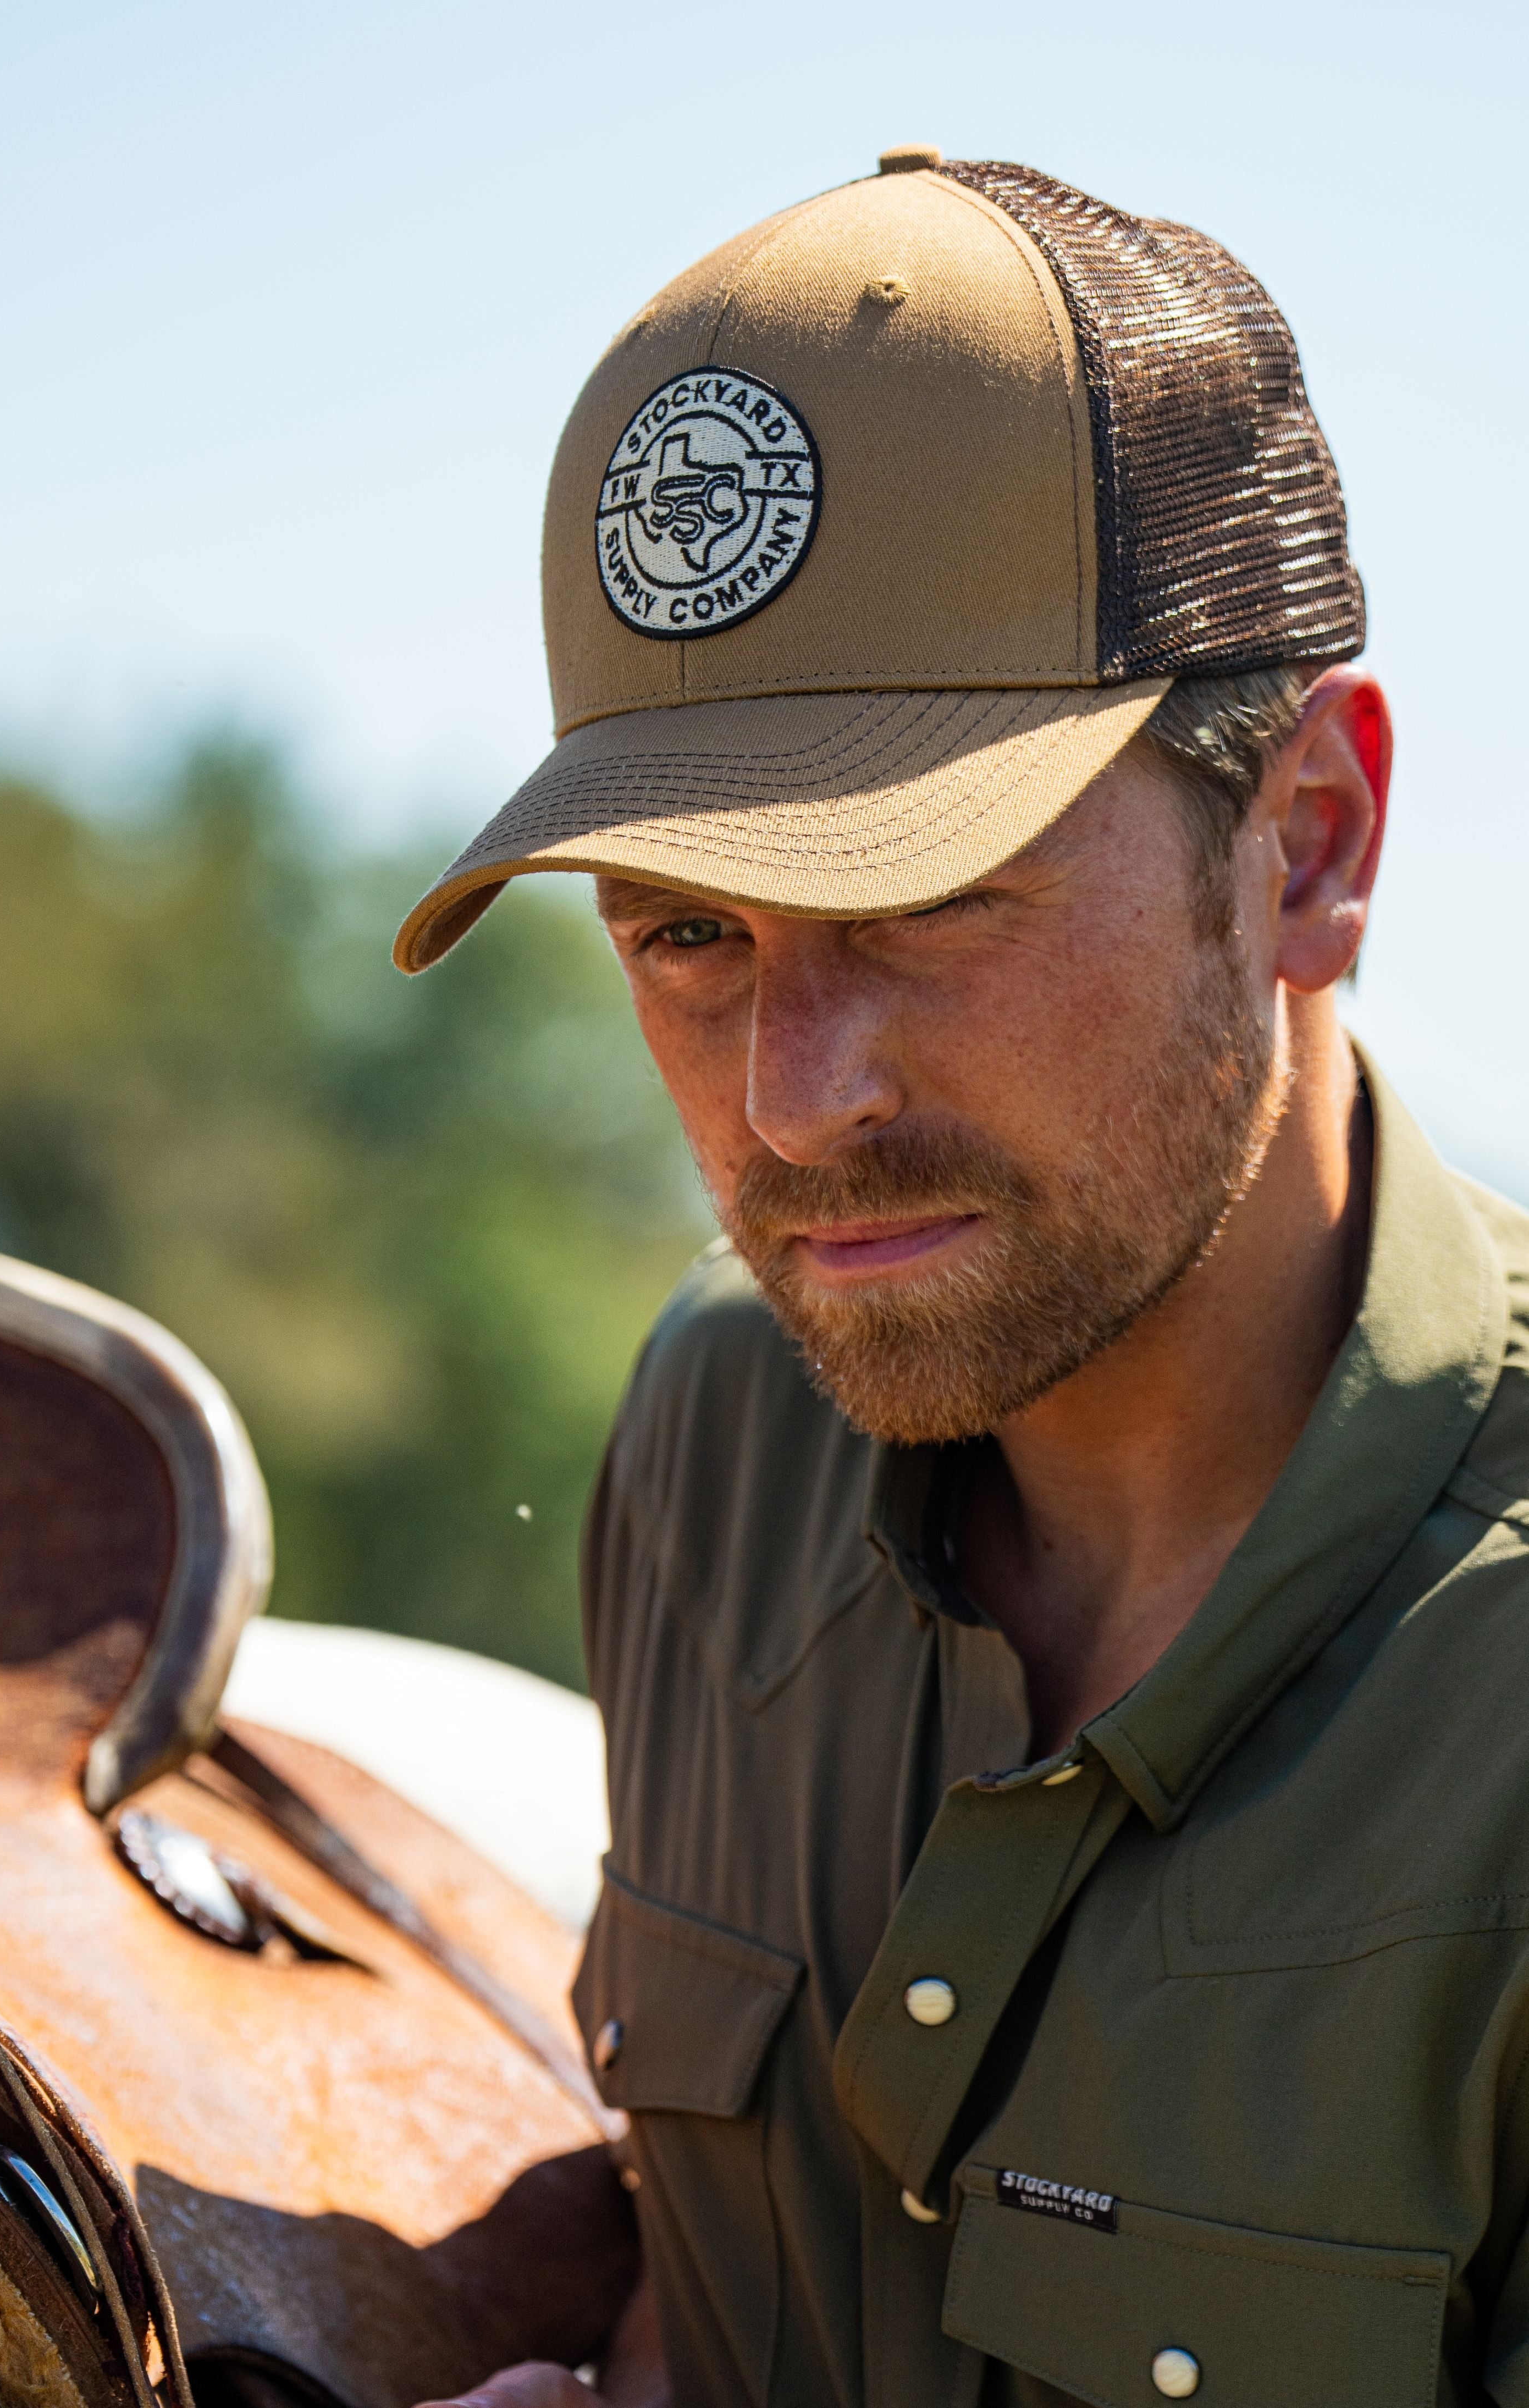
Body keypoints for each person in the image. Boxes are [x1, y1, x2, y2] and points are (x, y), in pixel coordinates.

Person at [398, 150, 1529, 2407]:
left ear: (1307, 842)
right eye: (686, 935)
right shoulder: (717, 1440)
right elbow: (724, 2268)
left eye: (933, 902)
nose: (793, 1099)